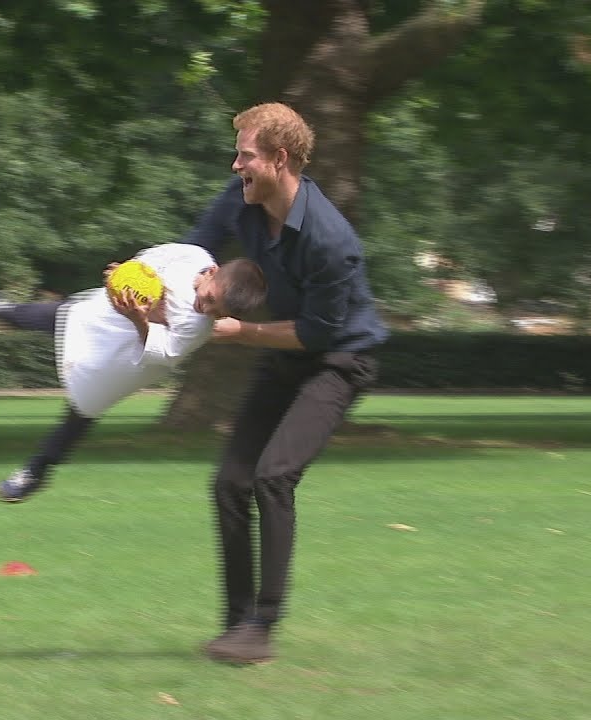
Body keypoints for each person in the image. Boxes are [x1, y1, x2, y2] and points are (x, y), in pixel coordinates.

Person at [181, 103, 390, 664]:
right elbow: (193, 250)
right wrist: (142, 283)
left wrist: (240, 330)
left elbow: (319, 335)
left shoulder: (330, 239)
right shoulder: (243, 202)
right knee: (230, 481)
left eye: (245, 156)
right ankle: (235, 622)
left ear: (278, 159)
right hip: (285, 357)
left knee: (274, 476)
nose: (235, 166)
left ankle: (263, 626)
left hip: (339, 360)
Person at [0, 242, 267, 502]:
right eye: (210, 298)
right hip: (116, 314)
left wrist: (143, 320)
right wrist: (120, 275)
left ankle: (35, 471)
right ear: (211, 272)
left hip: (137, 352)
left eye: (218, 313)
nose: (206, 309)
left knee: (86, 404)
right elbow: (145, 262)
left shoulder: (198, 327)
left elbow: (162, 353)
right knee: (67, 314)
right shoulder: (189, 255)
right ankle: (4, 310)